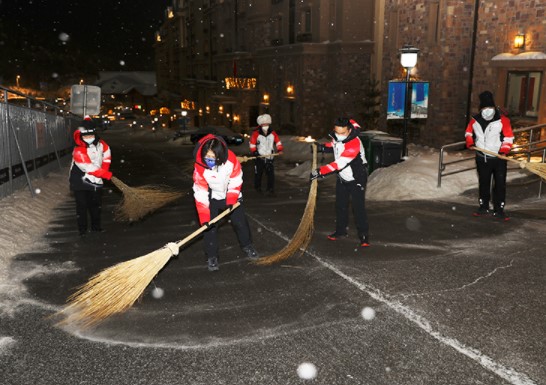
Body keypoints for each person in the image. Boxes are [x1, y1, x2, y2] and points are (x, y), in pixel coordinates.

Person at [193, 134, 259, 271]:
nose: (210, 160)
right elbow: (200, 191)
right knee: (209, 227)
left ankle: (247, 246)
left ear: (220, 155)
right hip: (213, 197)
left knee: (240, 223)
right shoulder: (200, 167)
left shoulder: (230, 160)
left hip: (232, 195)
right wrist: (204, 216)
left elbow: (236, 179)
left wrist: (231, 199)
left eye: (213, 157)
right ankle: (212, 256)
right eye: (208, 157)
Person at [310, 117, 370, 247]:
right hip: (343, 177)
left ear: (349, 130)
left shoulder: (354, 143)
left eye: (342, 133)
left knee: (357, 207)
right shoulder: (338, 137)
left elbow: (340, 163)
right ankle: (341, 231)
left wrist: (320, 171)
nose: (339, 136)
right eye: (337, 132)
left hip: (356, 178)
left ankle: (364, 236)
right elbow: (335, 145)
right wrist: (322, 147)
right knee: (340, 205)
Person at [465, 90, 514, 220]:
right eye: (485, 107)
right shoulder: (475, 120)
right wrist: (469, 141)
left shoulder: (503, 120)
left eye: (490, 107)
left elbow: (509, 137)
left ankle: (499, 210)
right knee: (484, 183)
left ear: (493, 107)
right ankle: (483, 207)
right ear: (481, 108)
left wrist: (503, 150)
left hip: (498, 158)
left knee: (499, 185)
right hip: (482, 157)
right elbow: (468, 133)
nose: (487, 110)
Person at [69, 116, 113, 236]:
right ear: (81, 136)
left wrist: (104, 169)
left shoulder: (101, 145)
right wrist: (103, 173)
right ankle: (82, 230)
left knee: (95, 205)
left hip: (96, 179)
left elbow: (107, 156)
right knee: (82, 206)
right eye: (86, 136)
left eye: (91, 136)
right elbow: (86, 166)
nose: (89, 138)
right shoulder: (78, 149)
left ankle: (96, 227)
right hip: (80, 180)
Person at [249, 114, 283, 196]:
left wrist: (280, 149)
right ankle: (258, 188)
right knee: (259, 174)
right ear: (260, 125)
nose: (265, 126)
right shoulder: (256, 134)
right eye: (264, 124)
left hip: (269, 157)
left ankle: (270, 189)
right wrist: (255, 152)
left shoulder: (272, 133)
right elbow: (252, 144)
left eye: (267, 124)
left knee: (271, 174)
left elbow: (278, 142)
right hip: (260, 157)